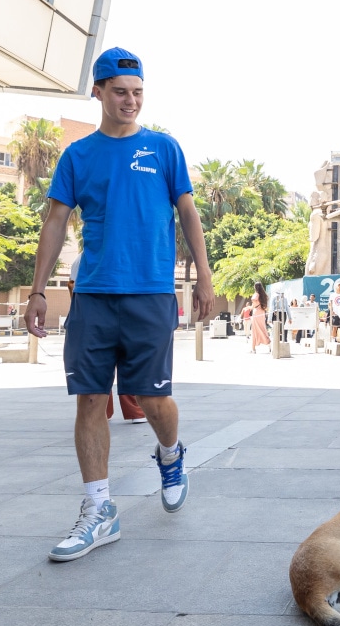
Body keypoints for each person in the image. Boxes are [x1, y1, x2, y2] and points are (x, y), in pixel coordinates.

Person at [23, 47, 215, 562]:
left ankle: (171, 455)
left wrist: (203, 277)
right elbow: (55, 223)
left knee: (152, 402)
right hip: (93, 295)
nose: (130, 101)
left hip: (151, 293)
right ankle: (99, 511)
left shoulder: (164, 148)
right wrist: (38, 290)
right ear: (99, 93)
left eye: (137, 93)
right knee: (90, 399)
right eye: (120, 92)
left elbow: (189, 216)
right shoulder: (78, 156)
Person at [68, 253, 147, 425]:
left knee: (102, 367)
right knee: (125, 362)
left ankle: (106, 411)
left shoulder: (81, 259)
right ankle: (132, 411)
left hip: (93, 315)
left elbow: (72, 288)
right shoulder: (117, 254)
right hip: (115, 312)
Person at [250, 282, 271, 353]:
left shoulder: (256, 294)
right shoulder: (263, 295)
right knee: (262, 328)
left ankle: (253, 348)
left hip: (256, 313)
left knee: (254, 330)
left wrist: (250, 307)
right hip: (262, 313)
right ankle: (269, 344)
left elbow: (253, 302)